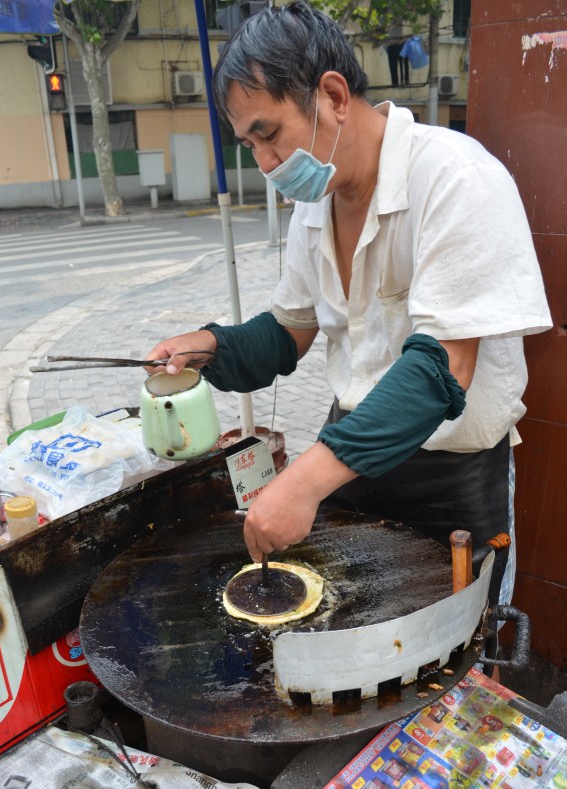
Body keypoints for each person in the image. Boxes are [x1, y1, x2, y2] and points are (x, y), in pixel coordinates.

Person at [145, 1, 552, 609]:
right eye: (249, 144)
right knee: (344, 622)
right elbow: (288, 332)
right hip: (348, 459)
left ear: (333, 96)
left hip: (448, 478)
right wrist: (210, 347)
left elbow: (444, 367)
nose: (265, 164)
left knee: (451, 643)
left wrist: (302, 482)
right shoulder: (316, 204)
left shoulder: (454, 177)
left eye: (269, 134)